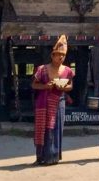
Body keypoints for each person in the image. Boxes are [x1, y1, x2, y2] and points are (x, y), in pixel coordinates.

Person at [31, 35, 75, 165]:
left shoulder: (67, 71)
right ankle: (41, 156)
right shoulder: (42, 69)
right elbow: (34, 84)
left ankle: (53, 156)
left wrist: (63, 87)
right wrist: (45, 86)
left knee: (56, 128)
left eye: (63, 55)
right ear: (52, 55)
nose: (60, 57)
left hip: (59, 101)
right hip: (43, 102)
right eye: (58, 54)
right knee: (43, 129)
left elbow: (70, 86)